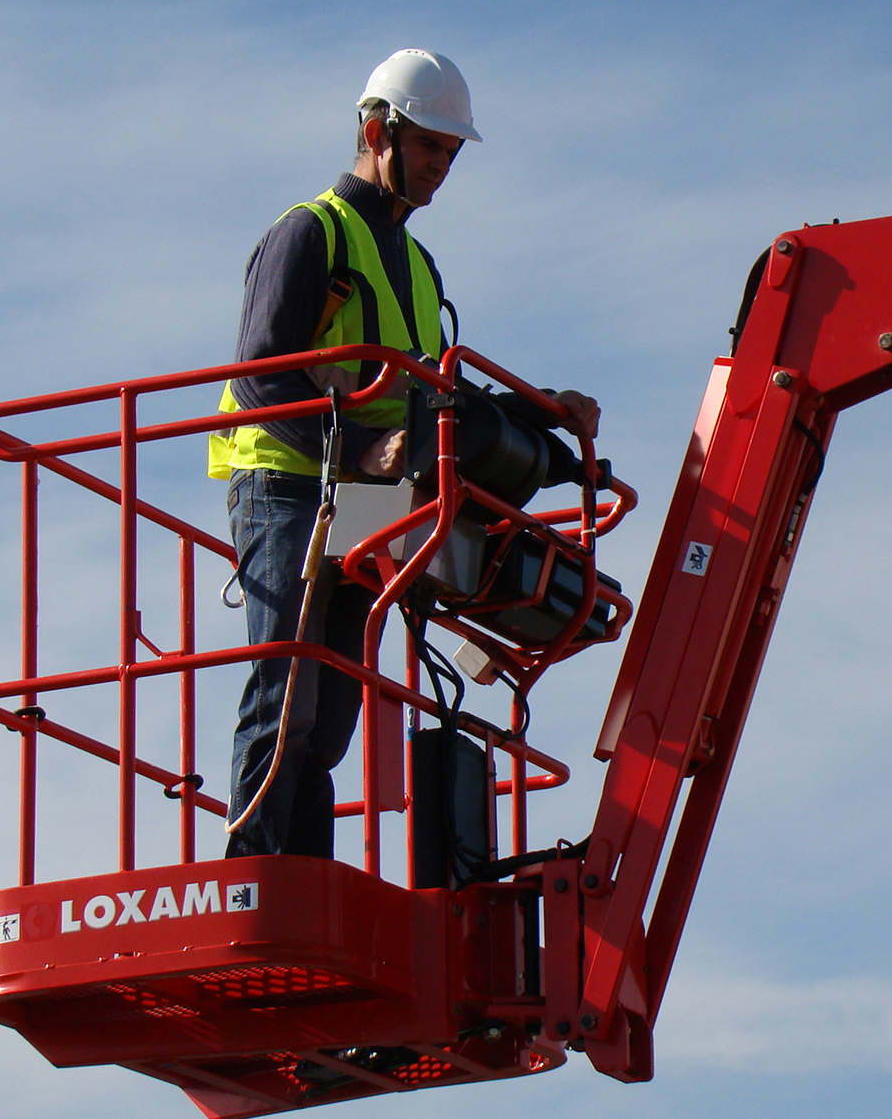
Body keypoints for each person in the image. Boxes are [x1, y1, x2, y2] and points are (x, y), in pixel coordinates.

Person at [207, 49, 600, 858]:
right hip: (286, 485)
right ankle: (255, 876)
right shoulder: (310, 233)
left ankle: (304, 880)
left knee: (332, 710)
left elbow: (435, 392)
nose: (441, 169)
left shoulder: (418, 265)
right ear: (378, 129)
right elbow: (257, 380)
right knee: (286, 690)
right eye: (431, 148)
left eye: (451, 155)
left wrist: (547, 424)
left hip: (362, 498)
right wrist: (361, 444)